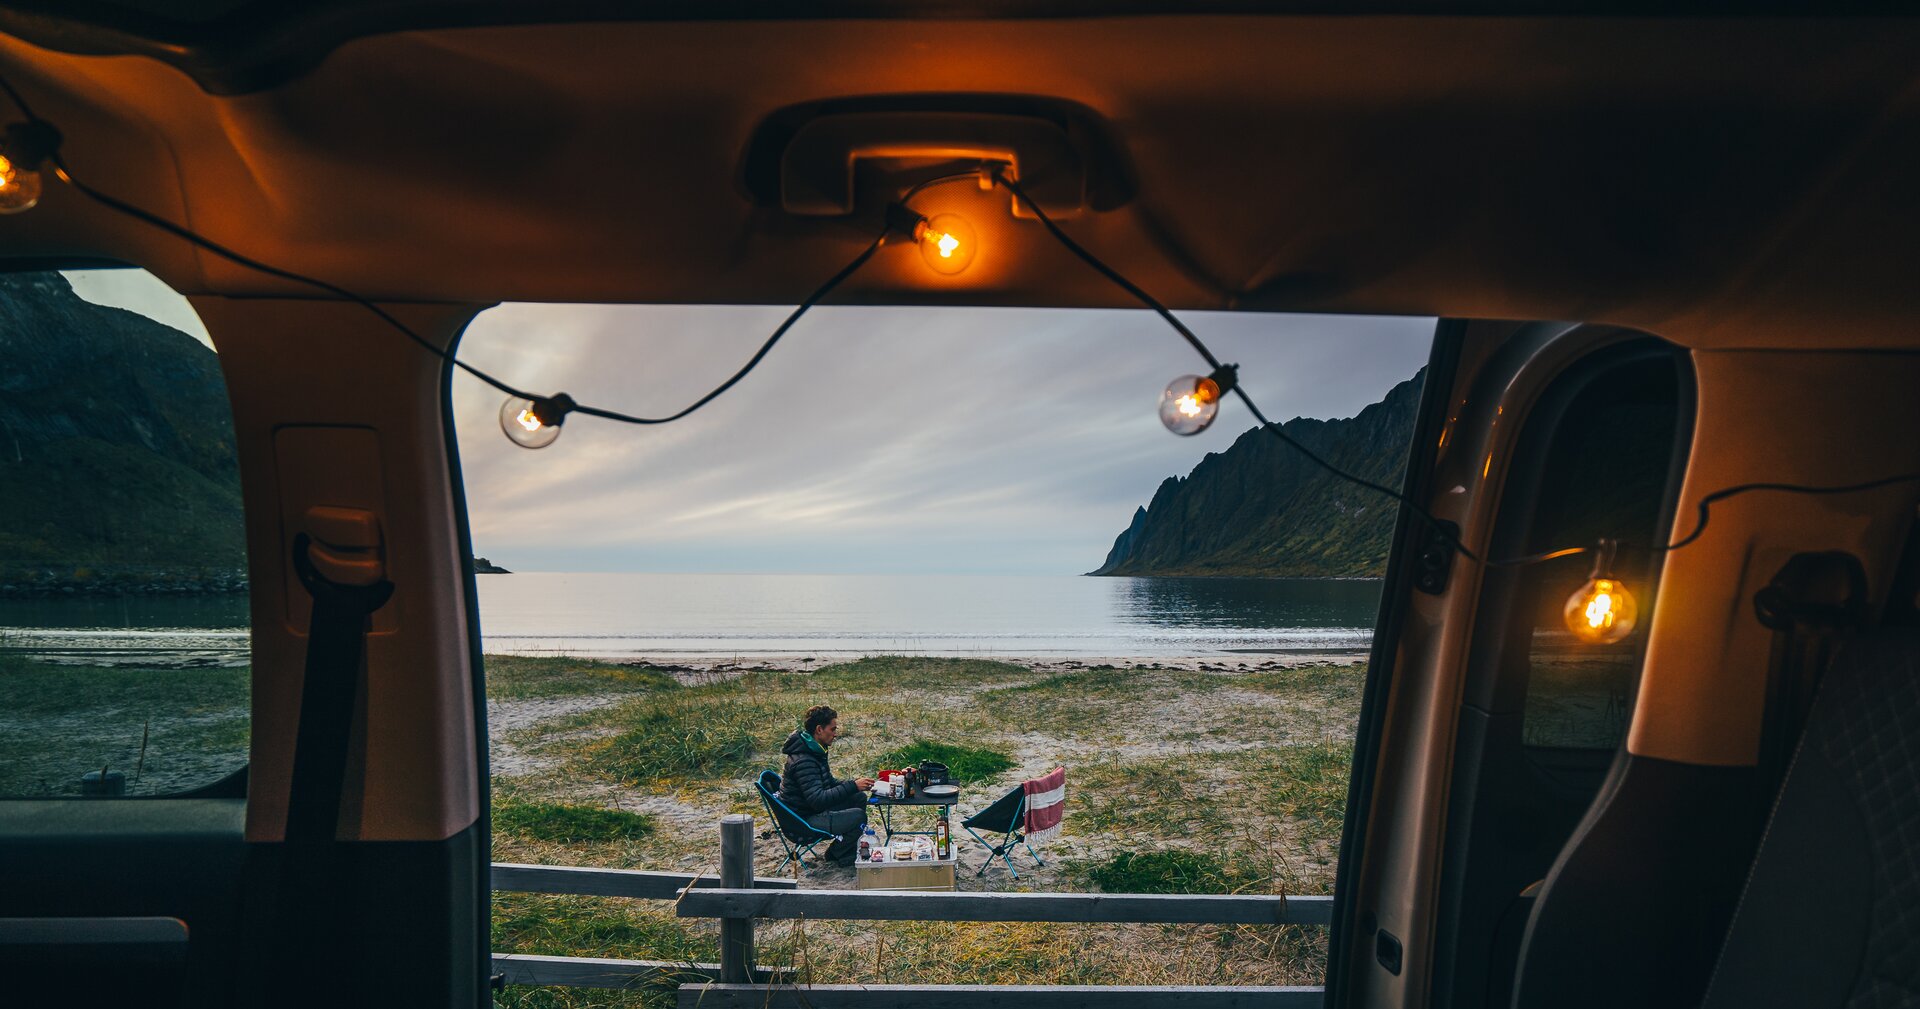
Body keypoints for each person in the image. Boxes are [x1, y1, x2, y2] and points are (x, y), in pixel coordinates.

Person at [778, 704, 874, 866]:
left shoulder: (814, 750)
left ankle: (845, 848)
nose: (835, 734)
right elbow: (818, 799)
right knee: (859, 816)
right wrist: (852, 785)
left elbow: (828, 783)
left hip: (808, 809)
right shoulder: (805, 761)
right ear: (819, 729)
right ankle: (836, 854)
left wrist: (856, 785)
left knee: (858, 798)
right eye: (832, 729)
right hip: (803, 820)